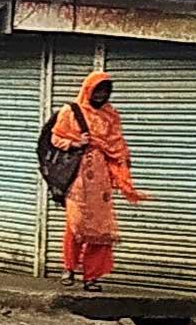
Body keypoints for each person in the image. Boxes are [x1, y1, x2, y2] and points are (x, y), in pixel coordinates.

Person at [48, 70, 145, 290]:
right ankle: (69, 267)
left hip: (101, 178)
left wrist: (122, 166)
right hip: (78, 175)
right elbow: (55, 138)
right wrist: (75, 143)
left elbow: (116, 143)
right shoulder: (70, 111)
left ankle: (91, 277)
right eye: (97, 90)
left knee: (101, 229)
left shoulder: (111, 115)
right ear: (88, 90)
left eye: (105, 91)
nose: (101, 95)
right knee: (76, 223)